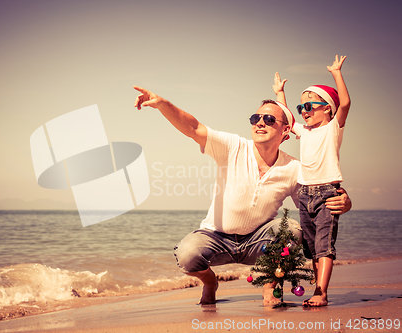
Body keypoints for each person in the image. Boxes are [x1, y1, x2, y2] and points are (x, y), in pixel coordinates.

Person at [134, 85, 352, 305]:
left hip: (258, 242)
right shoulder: (232, 147)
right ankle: (210, 282)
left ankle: (270, 285)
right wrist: (163, 104)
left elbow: (314, 201)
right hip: (216, 237)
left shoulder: (294, 168)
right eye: (256, 117)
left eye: (268, 119)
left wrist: (344, 201)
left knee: (293, 231)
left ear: (286, 131)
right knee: (186, 255)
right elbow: (194, 127)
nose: (259, 122)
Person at [273, 55, 351, 307]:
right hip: (304, 194)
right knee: (312, 248)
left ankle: (322, 292)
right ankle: (318, 289)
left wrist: (336, 73)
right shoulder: (303, 132)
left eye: (309, 107)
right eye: (301, 108)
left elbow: (346, 103)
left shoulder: (332, 128)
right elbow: (285, 116)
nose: (304, 112)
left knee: (324, 244)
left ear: (327, 108)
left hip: (328, 193)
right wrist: (279, 93)